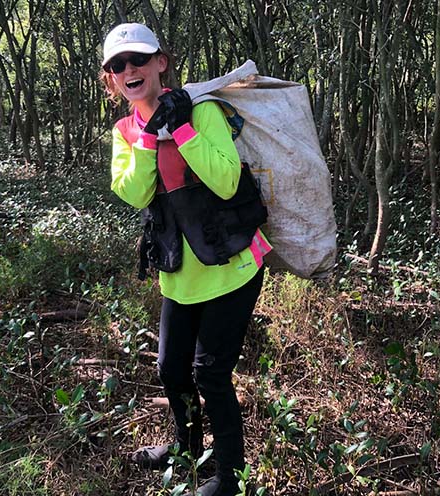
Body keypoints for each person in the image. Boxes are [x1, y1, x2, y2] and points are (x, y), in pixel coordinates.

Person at [101, 22, 272, 496]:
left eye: (139, 59)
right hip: (179, 273)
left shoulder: (201, 109)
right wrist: (149, 134)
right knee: (171, 370)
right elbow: (135, 193)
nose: (129, 69)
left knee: (210, 374)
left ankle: (231, 476)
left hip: (233, 266)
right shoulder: (124, 132)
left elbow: (226, 182)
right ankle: (186, 448)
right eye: (118, 65)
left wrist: (180, 127)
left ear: (161, 62)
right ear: (111, 79)